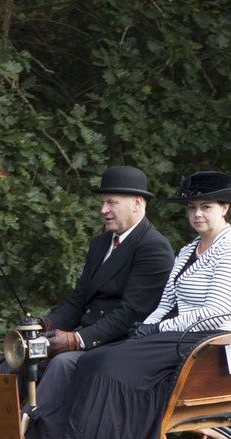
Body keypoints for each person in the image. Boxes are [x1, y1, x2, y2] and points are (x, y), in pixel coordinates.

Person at [28, 170, 231, 439]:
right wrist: (148, 325)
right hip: (179, 333)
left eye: (206, 207)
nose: (197, 214)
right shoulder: (189, 251)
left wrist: (160, 328)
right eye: (192, 208)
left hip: (211, 339)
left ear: (225, 208)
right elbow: (166, 300)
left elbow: (215, 311)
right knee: (96, 357)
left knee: (112, 362)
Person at [17, 164, 174, 415]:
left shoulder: (154, 248)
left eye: (111, 203)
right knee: (19, 358)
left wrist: (76, 340)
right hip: (92, 339)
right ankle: (1, 429)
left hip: (123, 345)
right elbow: (79, 299)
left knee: (62, 363)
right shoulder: (101, 243)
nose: (104, 210)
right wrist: (43, 326)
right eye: (103, 203)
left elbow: (131, 313)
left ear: (137, 203)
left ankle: (35, 430)